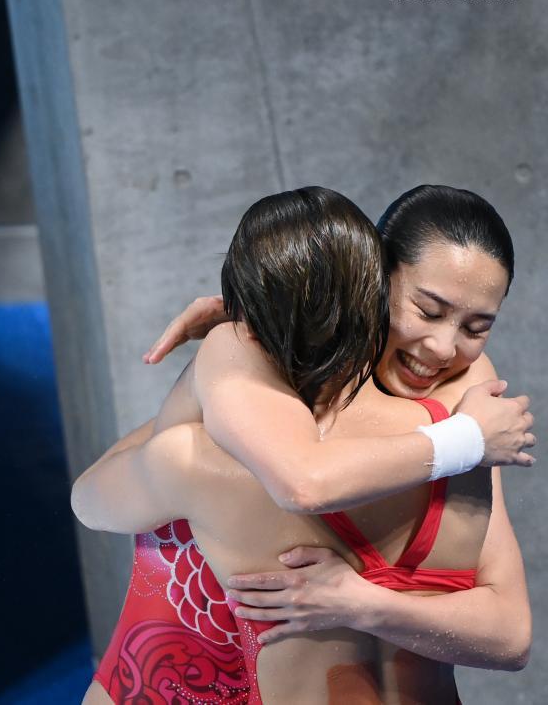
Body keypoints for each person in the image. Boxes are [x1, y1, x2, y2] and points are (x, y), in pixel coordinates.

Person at [73, 185, 534, 703]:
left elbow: (511, 635)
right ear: (371, 283)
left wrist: (363, 604)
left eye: (477, 327)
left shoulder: (469, 423)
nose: (445, 348)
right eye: (427, 311)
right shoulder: (467, 425)